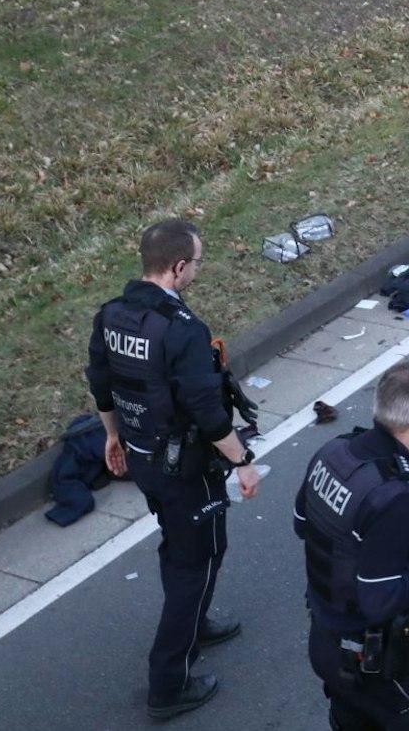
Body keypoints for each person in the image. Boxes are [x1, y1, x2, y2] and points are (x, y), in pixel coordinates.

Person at [86, 218, 262, 721]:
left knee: (180, 545)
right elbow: (208, 411)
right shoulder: (182, 330)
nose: (197, 272)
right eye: (197, 264)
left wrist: (112, 435)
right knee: (199, 559)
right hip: (184, 467)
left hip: (142, 458)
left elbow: (101, 381)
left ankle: (196, 621)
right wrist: (243, 462)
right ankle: (169, 682)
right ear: (178, 267)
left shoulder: (112, 316)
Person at [296, 360, 409, 731]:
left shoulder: (335, 452)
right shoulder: (394, 496)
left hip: (325, 640)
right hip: (379, 663)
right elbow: (380, 601)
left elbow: (302, 523)